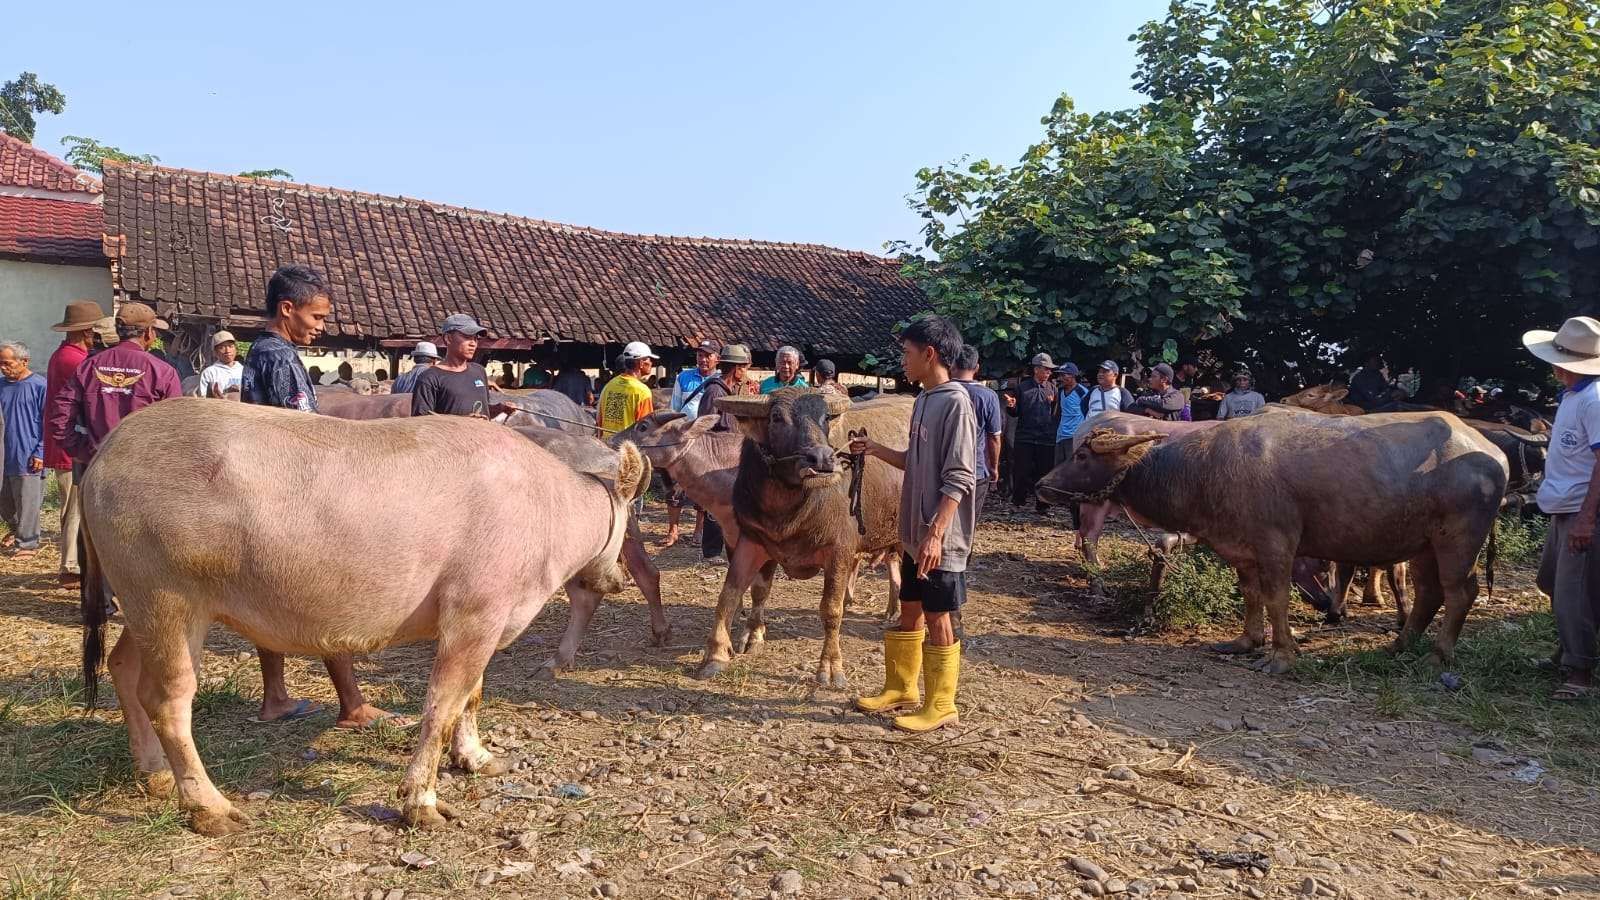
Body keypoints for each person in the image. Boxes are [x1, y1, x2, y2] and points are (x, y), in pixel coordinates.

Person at [240, 263, 397, 728]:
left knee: (266, 596)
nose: (321, 328)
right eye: (317, 317)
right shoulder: (282, 358)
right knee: (334, 592)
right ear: (287, 310)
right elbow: (305, 433)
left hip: (264, 487)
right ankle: (352, 704)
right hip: (297, 492)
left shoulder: (258, 352)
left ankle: (275, 697)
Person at [850, 315, 976, 733]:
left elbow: (960, 477)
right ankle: (903, 688)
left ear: (930, 354)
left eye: (907, 352)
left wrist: (936, 535)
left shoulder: (956, 402)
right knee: (910, 607)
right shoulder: (924, 399)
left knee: (939, 616)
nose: (902, 360)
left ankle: (942, 704)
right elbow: (915, 461)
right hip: (913, 534)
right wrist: (875, 450)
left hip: (939, 537)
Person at [1524, 317, 1600, 702]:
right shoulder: (1574, 395)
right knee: (1552, 582)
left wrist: (1588, 518)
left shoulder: (1594, 399)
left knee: (1574, 592)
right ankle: (1568, 650)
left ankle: (1580, 672)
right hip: (1564, 506)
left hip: (1583, 510)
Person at [47, 302, 182, 466]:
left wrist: (81, 450)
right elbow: (175, 426)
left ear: (118, 332)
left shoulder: (89, 366)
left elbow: (60, 413)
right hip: (143, 468)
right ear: (148, 333)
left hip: (99, 465)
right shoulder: (163, 371)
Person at [44, 300, 103, 588]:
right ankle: (69, 565)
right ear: (87, 332)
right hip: (72, 444)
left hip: (64, 442)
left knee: (73, 506)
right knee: (75, 508)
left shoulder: (64, 355)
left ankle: (71, 562)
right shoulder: (75, 360)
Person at [696, 343, 755, 560]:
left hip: (729, 454)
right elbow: (704, 426)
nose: (745, 373)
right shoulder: (715, 392)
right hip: (715, 457)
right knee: (716, 505)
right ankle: (711, 552)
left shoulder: (729, 391)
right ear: (737, 368)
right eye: (744, 367)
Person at [0, 343, 47, 559]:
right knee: (5, 501)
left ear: (24, 362)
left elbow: (49, 422)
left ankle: (27, 543)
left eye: (7, 363)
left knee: (27, 501)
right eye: (0, 364)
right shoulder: (1, 386)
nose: (3, 368)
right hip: (4, 455)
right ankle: (16, 530)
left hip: (27, 454)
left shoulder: (39, 386)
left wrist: (41, 451)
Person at [1005, 353, 1059, 511]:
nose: (1049, 373)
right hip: (1025, 437)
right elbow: (1015, 413)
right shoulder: (1022, 388)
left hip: (1046, 438)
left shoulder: (1053, 388)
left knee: (1044, 473)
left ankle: (1043, 505)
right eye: (1046, 370)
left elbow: (1056, 414)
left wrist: (1053, 403)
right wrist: (1011, 406)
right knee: (1021, 471)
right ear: (1036, 370)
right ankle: (1017, 502)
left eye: (1050, 370)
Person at [411, 315, 495, 417]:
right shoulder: (429, 378)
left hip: (482, 432)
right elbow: (421, 424)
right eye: (467, 337)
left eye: (475, 338)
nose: (473, 343)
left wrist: (499, 409)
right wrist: (465, 423)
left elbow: (483, 410)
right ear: (448, 338)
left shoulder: (479, 371)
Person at [952, 345, 1002, 517]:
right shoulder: (988, 396)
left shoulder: (937, 392)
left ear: (952, 365)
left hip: (940, 468)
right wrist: (994, 467)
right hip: (975, 468)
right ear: (977, 367)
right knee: (968, 522)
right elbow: (994, 437)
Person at [598, 341, 657, 434]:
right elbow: (645, 429)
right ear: (641, 363)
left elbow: (600, 422)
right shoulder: (642, 391)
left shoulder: (609, 385)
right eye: (649, 359)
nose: (651, 362)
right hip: (627, 446)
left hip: (606, 444)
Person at [672, 340, 721, 419]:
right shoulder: (682, 377)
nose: (703, 360)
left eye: (708, 356)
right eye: (700, 355)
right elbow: (674, 408)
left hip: (711, 429)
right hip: (685, 429)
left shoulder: (721, 380)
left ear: (718, 359)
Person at [1053, 363, 1089, 466]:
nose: (1060, 378)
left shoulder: (1082, 392)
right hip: (1060, 436)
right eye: (1060, 375)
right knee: (1058, 468)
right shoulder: (1060, 392)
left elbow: (1088, 413)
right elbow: (1059, 413)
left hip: (1074, 437)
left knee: (1072, 467)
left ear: (1072, 376)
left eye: (1063, 375)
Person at [197, 331, 244, 398]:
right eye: (222, 347)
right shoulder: (209, 372)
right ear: (215, 352)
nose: (227, 350)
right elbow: (202, 398)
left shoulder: (244, 370)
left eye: (231, 346)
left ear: (236, 349)